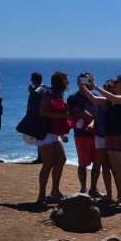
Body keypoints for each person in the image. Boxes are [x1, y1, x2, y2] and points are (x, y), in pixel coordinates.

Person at [79, 74, 121, 208]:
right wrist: (83, 86)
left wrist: (96, 86)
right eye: (114, 82)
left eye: (117, 82)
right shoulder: (108, 101)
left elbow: (113, 97)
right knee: (115, 168)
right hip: (110, 136)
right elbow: (92, 98)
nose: (114, 84)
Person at [36, 71, 71, 203]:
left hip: (53, 133)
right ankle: (41, 194)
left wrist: (62, 133)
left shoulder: (57, 94)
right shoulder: (48, 94)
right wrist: (62, 116)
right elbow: (43, 112)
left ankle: (54, 191)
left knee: (61, 159)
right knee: (48, 164)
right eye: (66, 79)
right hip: (45, 133)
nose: (68, 82)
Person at [67, 72, 102, 196]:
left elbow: (100, 115)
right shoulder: (73, 98)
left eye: (89, 80)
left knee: (97, 162)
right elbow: (69, 116)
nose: (86, 83)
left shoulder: (96, 96)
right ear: (78, 82)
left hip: (95, 134)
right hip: (81, 135)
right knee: (82, 163)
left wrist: (94, 121)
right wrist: (82, 114)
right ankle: (83, 189)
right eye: (83, 81)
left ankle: (93, 188)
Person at [27, 72, 46, 164]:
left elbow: (31, 107)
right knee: (44, 137)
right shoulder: (46, 88)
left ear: (34, 80)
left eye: (31, 80)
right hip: (46, 116)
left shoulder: (35, 92)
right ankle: (45, 156)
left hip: (37, 116)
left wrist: (28, 117)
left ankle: (40, 157)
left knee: (39, 137)